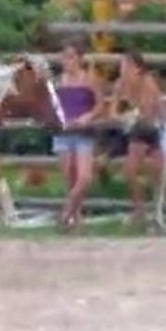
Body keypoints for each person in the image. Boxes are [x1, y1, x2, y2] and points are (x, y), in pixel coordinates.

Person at [109, 49, 164, 227]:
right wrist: (122, 117)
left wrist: (130, 115)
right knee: (129, 171)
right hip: (136, 130)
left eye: (126, 66)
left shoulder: (147, 83)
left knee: (157, 172)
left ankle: (157, 210)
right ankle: (139, 209)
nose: (122, 69)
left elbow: (148, 112)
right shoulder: (120, 85)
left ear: (137, 68)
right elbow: (112, 111)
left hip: (155, 128)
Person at [52, 42, 102, 228]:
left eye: (71, 57)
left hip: (83, 132)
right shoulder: (58, 81)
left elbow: (100, 104)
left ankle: (66, 211)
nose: (67, 61)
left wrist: (88, 116)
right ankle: (76, 218)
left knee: (84, 177)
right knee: (69, 176)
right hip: (64, 132)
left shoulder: (89, 79)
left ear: (79, 59)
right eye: (65, 57)